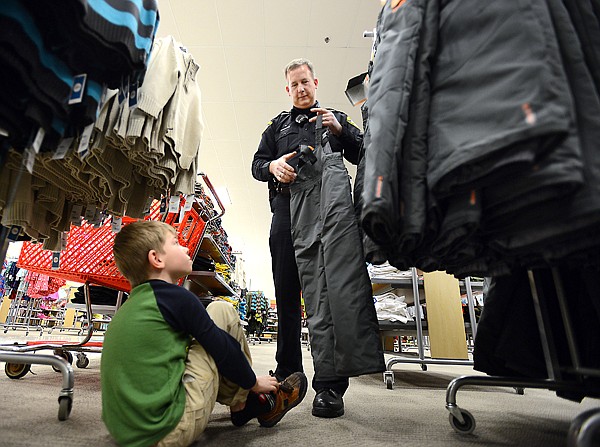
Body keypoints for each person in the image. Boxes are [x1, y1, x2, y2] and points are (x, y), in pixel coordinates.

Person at [101, 220, 307, 447]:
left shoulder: (130, 307)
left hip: (124, 432)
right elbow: (222, 348)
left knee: (195, 338)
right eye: (176, 243)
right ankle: (246, 402)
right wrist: (253, 382)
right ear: (156, 259)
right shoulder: (177, 298)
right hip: (168, 430)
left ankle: (242, 404)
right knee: (221, 312)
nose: (187, 248)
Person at [251, 58, 363, 418]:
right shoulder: (277, 126)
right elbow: (256, 164)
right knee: (285, 294)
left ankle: (329, 386)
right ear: (288, 89)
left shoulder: (334, 120)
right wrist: (271, 167)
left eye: (305, 82)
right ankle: (286, 376)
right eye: (294, 84)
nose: (300, 88)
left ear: (315, 82)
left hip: (327, 212)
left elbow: (364, 153)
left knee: (326, 296)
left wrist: (342, 131)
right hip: (284, 211)